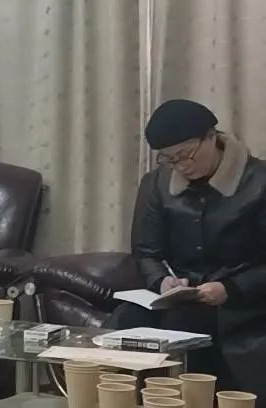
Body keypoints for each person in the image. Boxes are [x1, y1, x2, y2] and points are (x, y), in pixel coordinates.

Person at [108, 99, 266, 397]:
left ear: (212, 137)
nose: (181, 166)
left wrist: (230, 288)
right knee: (126, 320)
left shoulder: (259, 181)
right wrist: (162, 281)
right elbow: (146, 252)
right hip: (183, 299)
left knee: (194, 327)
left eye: (186, 155)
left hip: (246, 302)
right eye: (169, 159)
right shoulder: (157, 183)